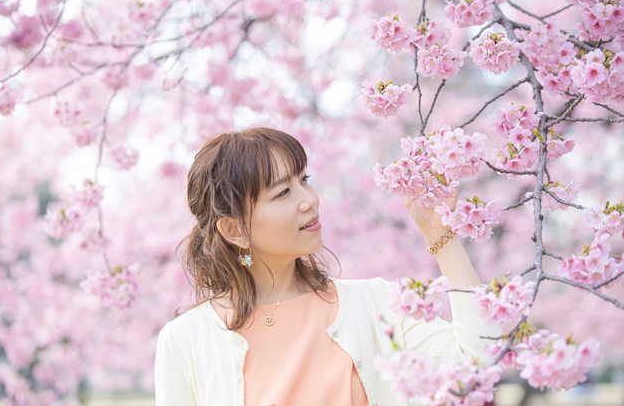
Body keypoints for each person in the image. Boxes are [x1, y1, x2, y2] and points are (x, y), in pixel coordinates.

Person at [154, 126, 499, 406]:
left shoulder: (375, 303)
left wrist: (443, 236)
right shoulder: (187, 339)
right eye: (283, 193)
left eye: (304, 180)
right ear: (235, 230)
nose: (310, 199)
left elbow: (479, 363)